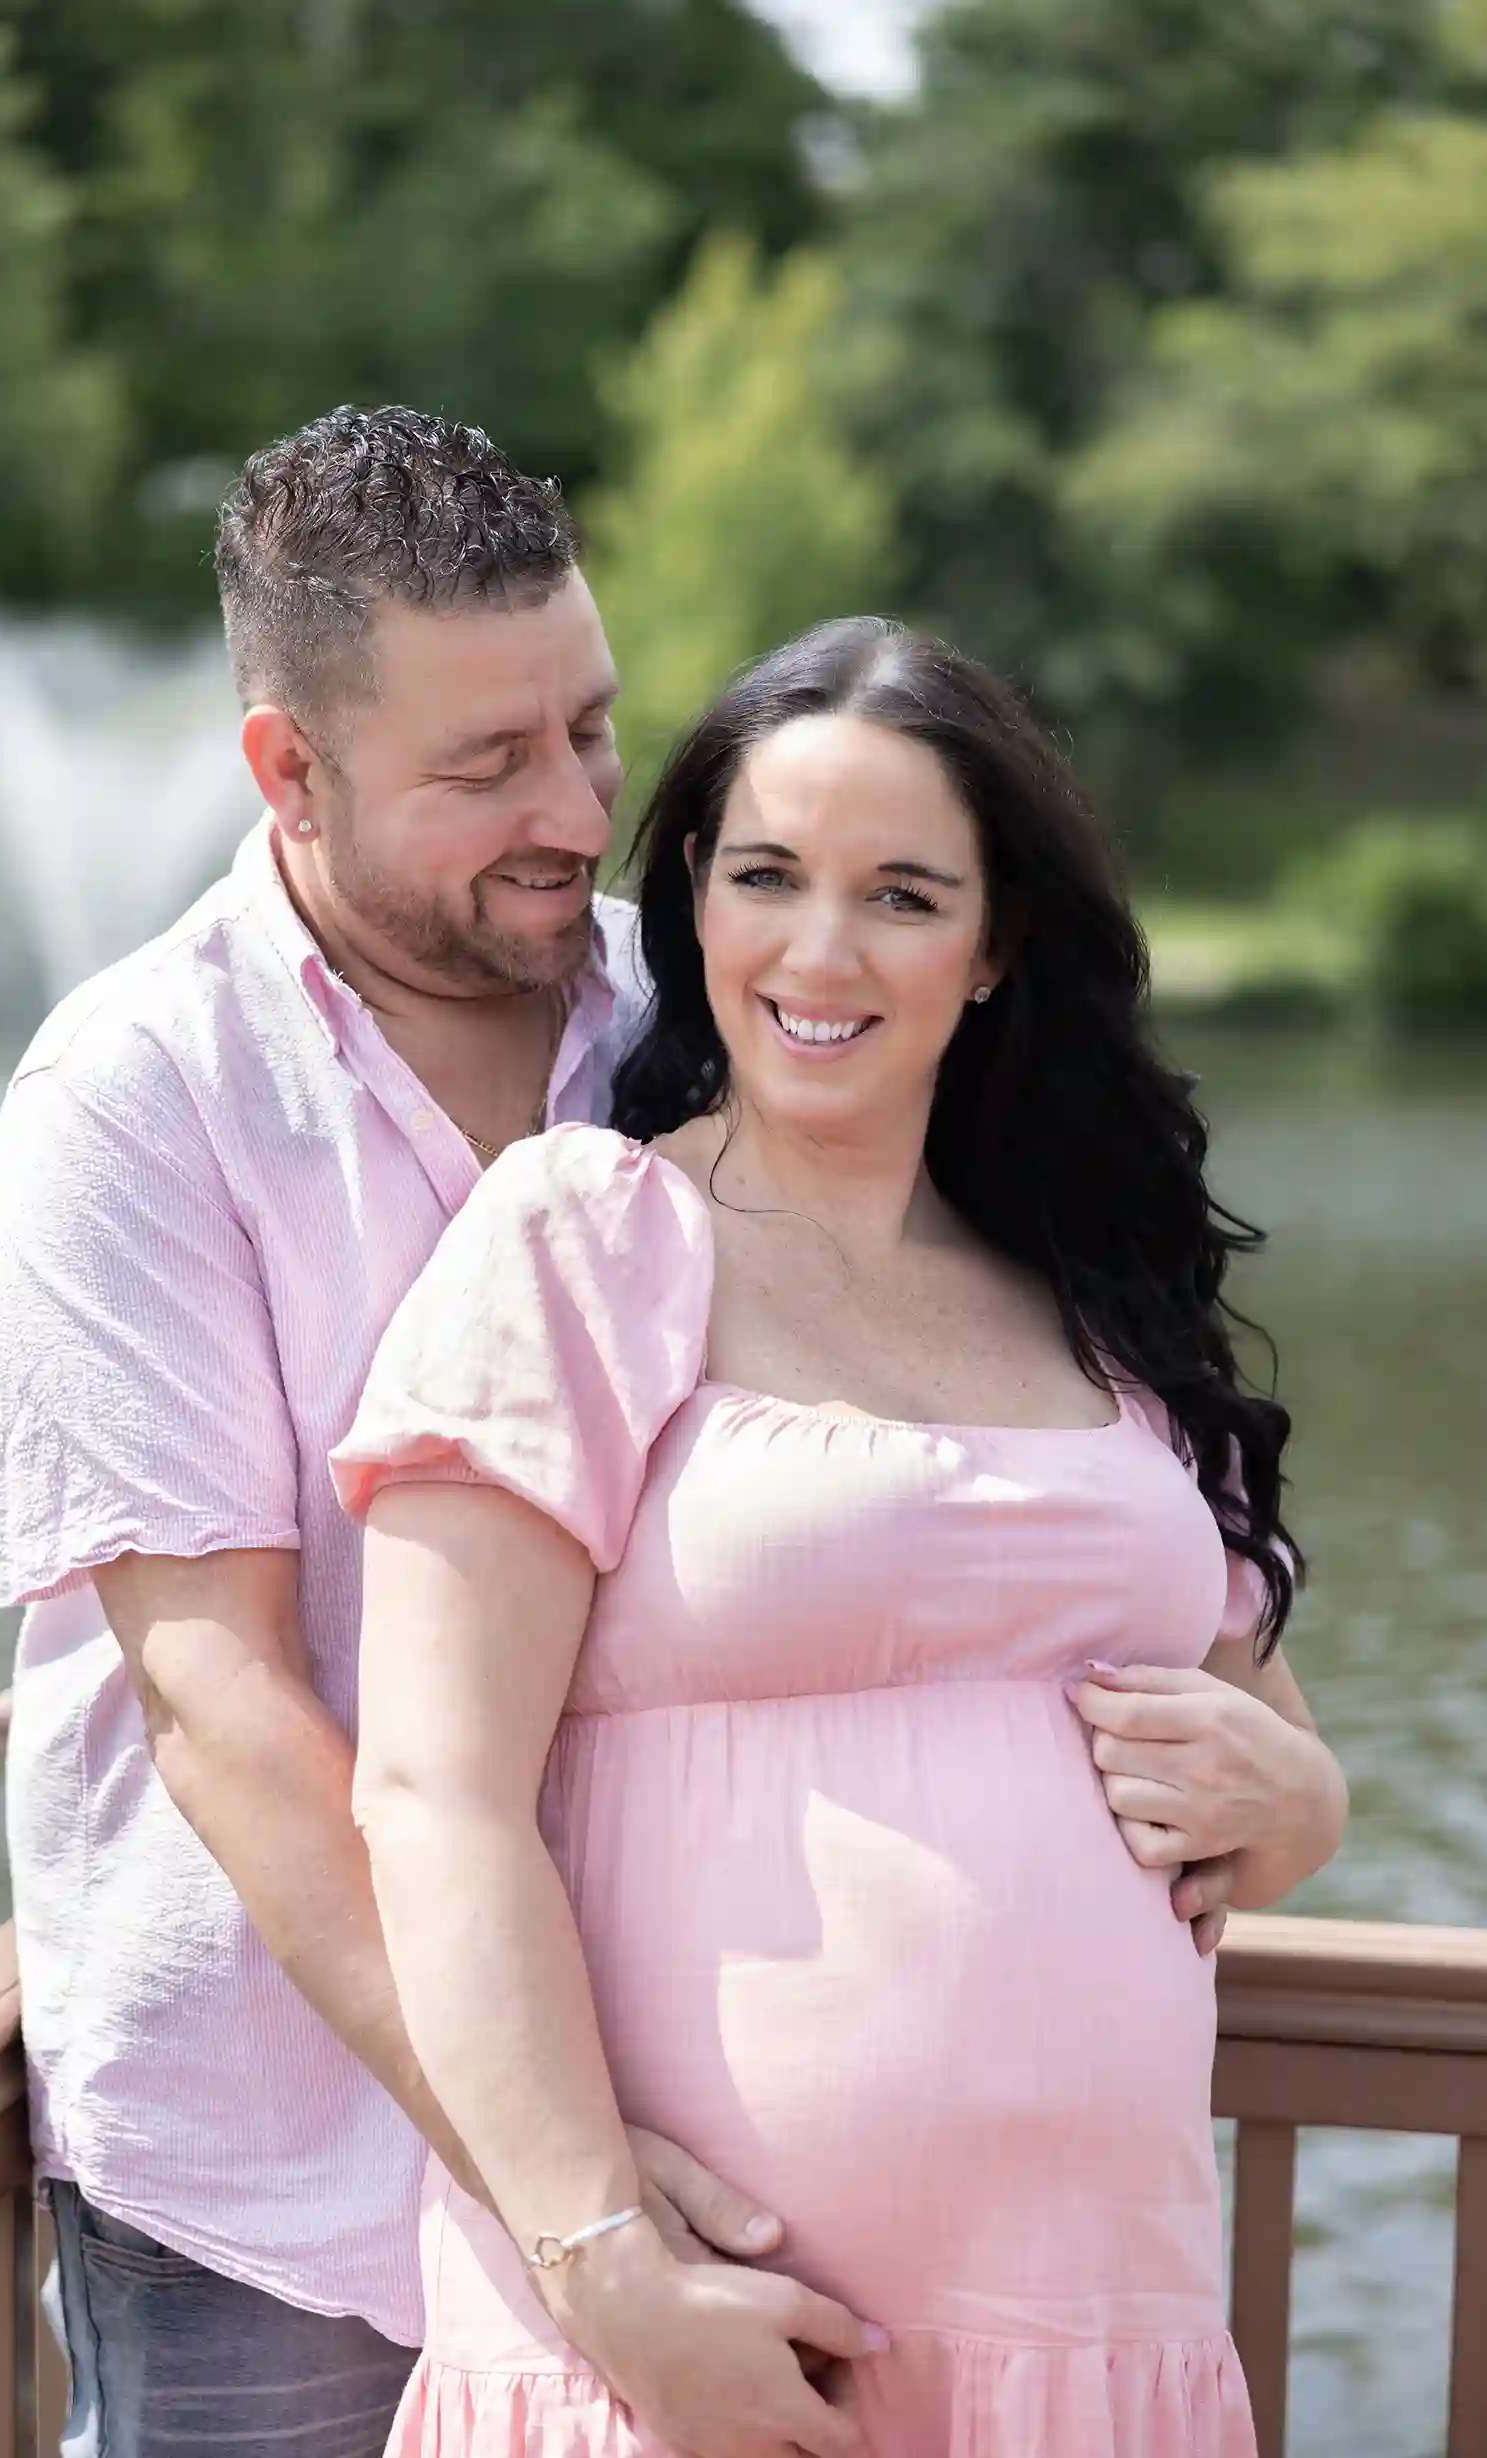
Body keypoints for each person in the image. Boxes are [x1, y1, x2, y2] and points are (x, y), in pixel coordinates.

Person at [332, 618, 1350, 2457]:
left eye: (899, 893)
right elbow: (429, 1795)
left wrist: (1301, 1810)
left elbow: (1267, 1725)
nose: (819, 950)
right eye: (766, 877)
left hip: (1087, 2335)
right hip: (698, 2355)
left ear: (992, 946)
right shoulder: (584, 1238)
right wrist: (608, 2270)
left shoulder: (1094, 1301)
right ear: (692, 908)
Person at [0, 406, 807, 2458]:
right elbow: (224, 1700)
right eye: (486, 763)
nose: (576, 807)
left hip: (700, 2095)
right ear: (288, 769)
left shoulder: (703, 1028)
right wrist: (570, 2191)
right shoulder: (131, 1101)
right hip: (281, 2177)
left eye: (590, 729)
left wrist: (1245, 1709)